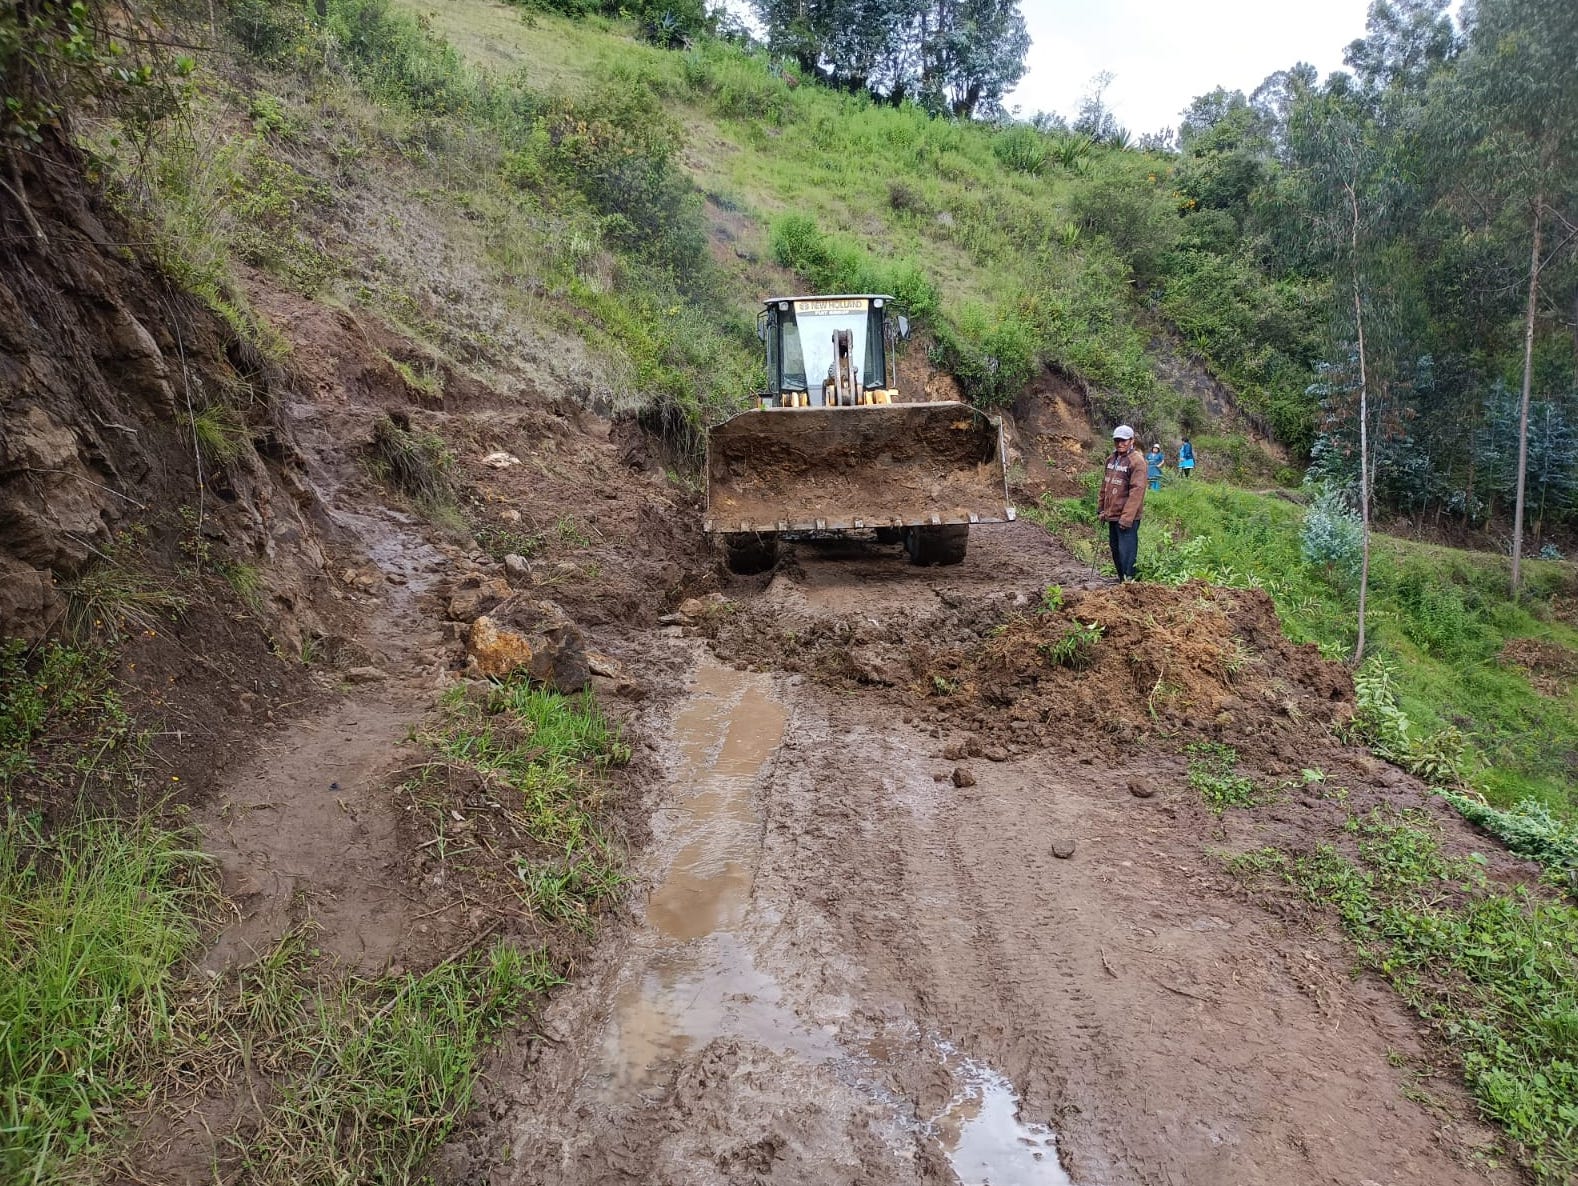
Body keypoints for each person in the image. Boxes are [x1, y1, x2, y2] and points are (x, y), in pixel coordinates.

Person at [1097, 424, 1146, 582]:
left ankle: (1130, 582)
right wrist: (1101, 509)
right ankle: (1121, 581)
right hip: (1112, 514)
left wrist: (1127, 518)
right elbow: (1105, 485)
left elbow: (1137, 491)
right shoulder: (1111, 460)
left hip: (1127, 518)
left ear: (1132, 441)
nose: (1120, 444)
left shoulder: (1137, 462)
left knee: (1127, 552)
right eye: (1117, 440)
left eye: (1124, 441)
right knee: (1115, 550)